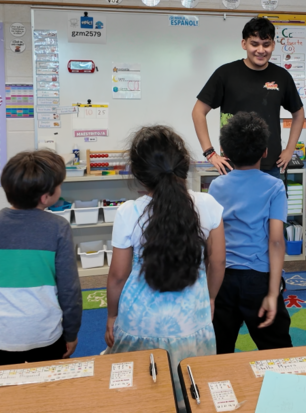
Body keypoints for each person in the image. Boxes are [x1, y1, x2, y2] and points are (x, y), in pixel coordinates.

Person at [106, 126, 226, 412]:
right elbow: (218, 262)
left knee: (140, 395)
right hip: (190, 320)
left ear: (138, 173)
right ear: (184, 166)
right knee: (191, 389)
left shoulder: (128, 211)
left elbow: (117, 276)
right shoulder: (207, 204)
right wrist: (210, 298)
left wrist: (112, 315)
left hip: (138, 322)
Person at [0, 150, 81, 367]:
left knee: (1, 392)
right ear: (45, 196)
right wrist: (72, 332)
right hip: (44, 333)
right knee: (50, 390)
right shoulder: (58, 228)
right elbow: (69, 289)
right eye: (59, 184)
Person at [208, 112, 292, 353]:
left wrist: (210, 292)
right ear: (265, 151)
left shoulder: (216, 185)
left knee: (218, 351)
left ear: (225, 150)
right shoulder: (275, 186)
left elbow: (211, 241)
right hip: (259, 280)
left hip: (222, 278)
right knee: (279, 351)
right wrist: (273, 293)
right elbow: (276, 242)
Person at [192, 17, 305, 178]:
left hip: (270, 166)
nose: (261, 50)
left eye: (266, 44)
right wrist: (210, 153)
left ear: (273, 45)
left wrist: (290, 150)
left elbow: (299, 114)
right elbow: (198, 112)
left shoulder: (282, 76)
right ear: (244, 44)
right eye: (254, 44)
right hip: (232, 166)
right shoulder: (225, 74)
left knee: (273, 204)